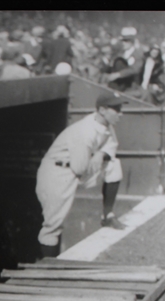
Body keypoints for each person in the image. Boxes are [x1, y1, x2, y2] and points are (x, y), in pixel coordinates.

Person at [35, 91, 127, 258]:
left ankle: (108, 215)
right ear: (102, 110)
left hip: (75, 169)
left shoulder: (106, 124)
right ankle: (48, 267)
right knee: (52, 225)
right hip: (57, 173)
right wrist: (96, 161)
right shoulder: (84, 131)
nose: (121, 113)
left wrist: (100, 155)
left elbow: (112, 146)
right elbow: (80, 169)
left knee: (113, 165)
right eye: (116, 109)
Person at [106, 27, 145, 94]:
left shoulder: (138, 54)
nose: (123, 43)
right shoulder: (121, 52)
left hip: (130, 86)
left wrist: (118, 74)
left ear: (132, 42)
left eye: (126, 41)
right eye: (123, 41)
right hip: (117, 84)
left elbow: (135, 69)